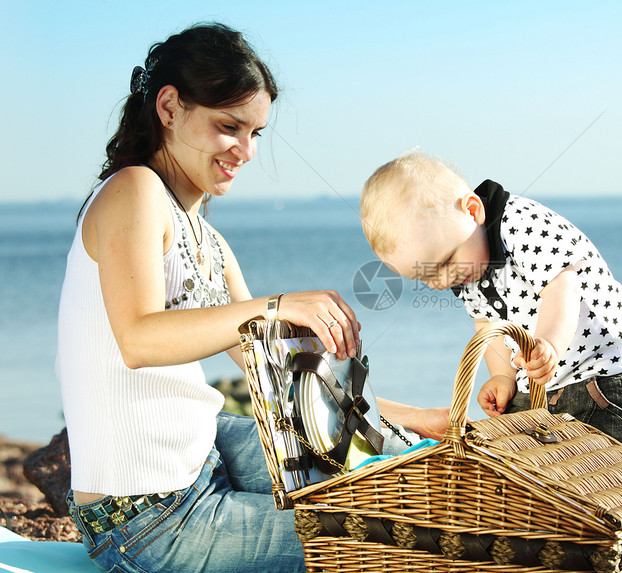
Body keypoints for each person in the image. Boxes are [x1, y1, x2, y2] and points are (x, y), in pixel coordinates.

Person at [56, 24, 448, 573]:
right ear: (169, 108)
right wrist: (277, 304)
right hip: (147, 517)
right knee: (386, 544)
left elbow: (284, 379)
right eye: (228, 127)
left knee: (391, 469)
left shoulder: (209, 241)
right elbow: (137, 339)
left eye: (256, 132)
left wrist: (415, 418)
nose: (246, 150)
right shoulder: (134, 191)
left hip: (205, 453)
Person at [360, 152, 622, 455]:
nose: (441, 281)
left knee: (601, 475)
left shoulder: (521, 225)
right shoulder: (465, 266)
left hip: (604, 370)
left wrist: (550, 345)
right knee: (523, 471)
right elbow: (487, 323)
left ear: (473, 211)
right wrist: (502, 375)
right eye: (425, 276)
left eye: (446, 261)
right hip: (542, 383)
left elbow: (560, 287)